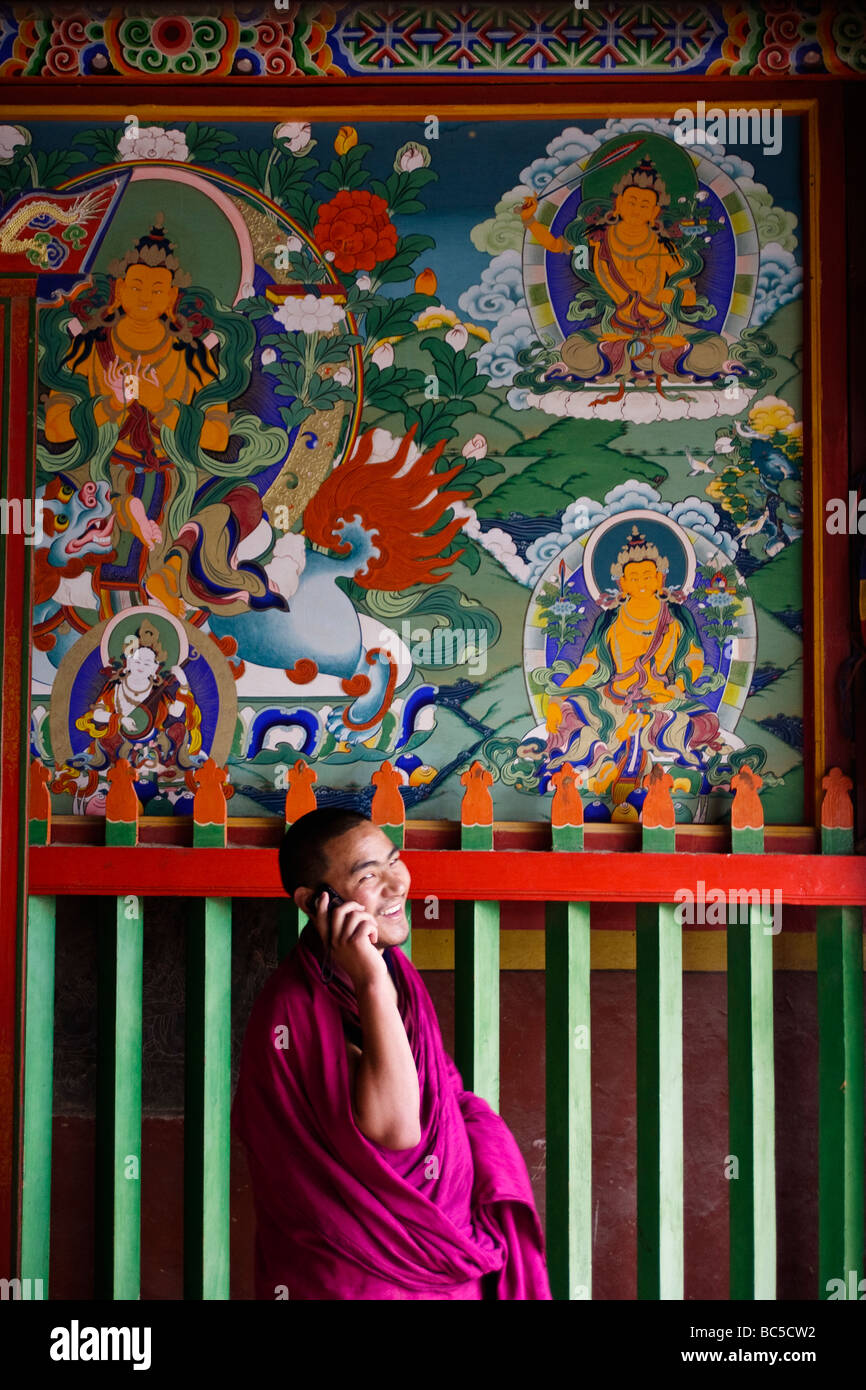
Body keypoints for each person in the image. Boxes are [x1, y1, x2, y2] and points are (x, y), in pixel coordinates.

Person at [232, 807, 552, 1301]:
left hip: (448, 1251)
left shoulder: (393, 972)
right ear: (315, 901)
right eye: (368, 875)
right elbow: (399, 1130)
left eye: (394, 861)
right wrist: (369, 978)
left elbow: (442, 1094)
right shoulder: (296, 1009)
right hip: (355, 1273)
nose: (397, 884)